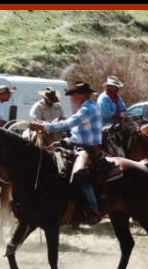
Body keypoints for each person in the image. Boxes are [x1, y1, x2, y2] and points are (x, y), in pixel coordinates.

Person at [30, 81, 104, 225]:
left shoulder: (87, 109)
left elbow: (67, 124)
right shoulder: (86, 107)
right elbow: (76, 131)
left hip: (88, 148)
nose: (71, 98)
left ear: (81, 95)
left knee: (79, 174)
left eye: (73, 95)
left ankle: (94, 208)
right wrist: (65, 141)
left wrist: (43, 126)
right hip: (78, 145)